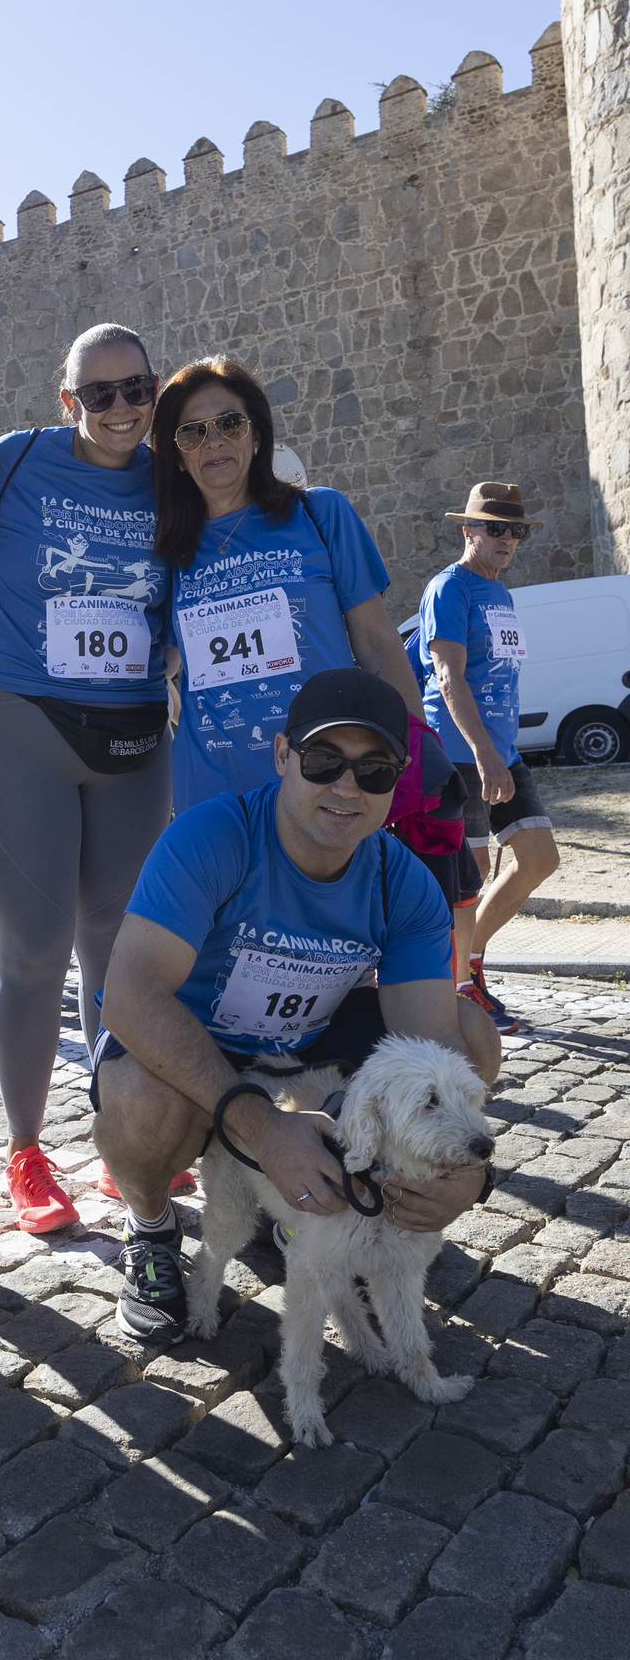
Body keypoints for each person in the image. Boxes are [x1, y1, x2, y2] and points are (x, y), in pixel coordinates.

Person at [91, 669, 501, 1342]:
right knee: (146, 1102)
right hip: (191, 1037)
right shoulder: (213, 836)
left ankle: (345, 1205)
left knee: (472, 1035)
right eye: (324, 761)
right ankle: (153, 1230)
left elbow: (434, 1052)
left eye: (374, 772)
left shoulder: (405, 884)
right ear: (283, 755)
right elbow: (131, 999)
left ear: (397, 783)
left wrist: (469, 1172)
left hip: (303, 1039)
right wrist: (266, 1129)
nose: (347, 788)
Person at [0, 324, 175, 1232]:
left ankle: (119, 1131)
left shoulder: (172, 478)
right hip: (19, 725)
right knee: (36, 946)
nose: (119, 409)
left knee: (116, 950)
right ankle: (27, 1150)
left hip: (131, 737)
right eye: (99, 394)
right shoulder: (17, 460)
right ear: (66, 400)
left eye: (136, 390)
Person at [151, 357, 424, 812]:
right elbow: (161, 660)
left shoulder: (321, 515)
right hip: (213, 797)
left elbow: (377, 643)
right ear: (177, 456)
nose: (213, 441)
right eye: (191, 432)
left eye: (230, 423)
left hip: (329, 781)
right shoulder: (167, 553)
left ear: (256, 435)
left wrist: (416, 749)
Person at [418, 482, 559, 1035]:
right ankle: (454, 992)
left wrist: (499, 752)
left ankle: (469, 961)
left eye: (515, 530)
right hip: (457, 755)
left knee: (539, 857)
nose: (507, 539)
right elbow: (448, 677)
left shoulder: (500, 592)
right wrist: (482, 755)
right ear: (468, 531)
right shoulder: (449, 588)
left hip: (500, 752)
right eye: (494, 528)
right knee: (469, 873)